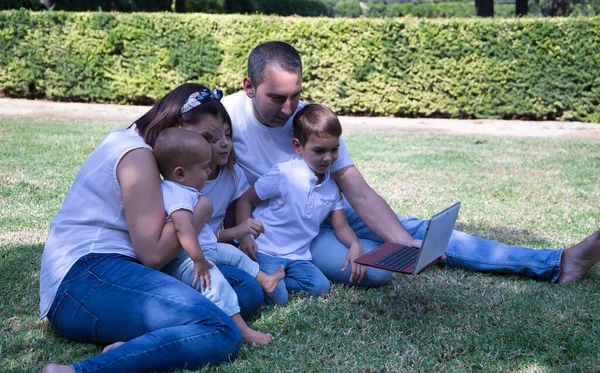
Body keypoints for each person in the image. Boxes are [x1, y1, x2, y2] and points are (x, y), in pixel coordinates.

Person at [221, 40, 600, 287]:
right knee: (376, 273)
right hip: (289, 229)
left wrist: (406, 243)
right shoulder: (225, 118)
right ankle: (377, 249)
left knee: (418, 235)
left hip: (330, 210)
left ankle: (555, 261)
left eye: (296, 95)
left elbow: (359, 192)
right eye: (276, 98)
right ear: (249, 86)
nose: (289, 109)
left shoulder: (307, 120)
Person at [31, 83, 264, 373]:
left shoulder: (152, 153)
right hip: (83, 277)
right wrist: (201, 210)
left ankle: (146, 344)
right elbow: (153, 254)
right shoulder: (137, 155)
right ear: (176, 129)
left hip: (122, 270)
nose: (213, 150)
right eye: (205, 138)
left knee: (244, 290)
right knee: (221, 331)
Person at [153, 126, 282, 344]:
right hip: (186, 258)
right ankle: (241, 329)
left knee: (233, 254)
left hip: (206, 248)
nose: (207, 173)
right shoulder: (176, 194)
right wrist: (199, 260)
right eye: (204, 168)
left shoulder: (184, 189)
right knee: (215, 283)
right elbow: (183, 229)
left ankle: (264, 279)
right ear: (180, 173)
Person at [236, 104, 364, 305]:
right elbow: (245, 200)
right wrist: (244, 236)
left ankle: (279, 279)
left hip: (298, 256)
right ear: (298, 146)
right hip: (265, 249)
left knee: (321, 287)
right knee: (278, 298)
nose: (328, 158)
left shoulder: (332, 186)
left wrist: (355, 244)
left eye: (334, 149)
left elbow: (341, 226)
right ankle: (262, 275)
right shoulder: (283, 173)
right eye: (319, 151)